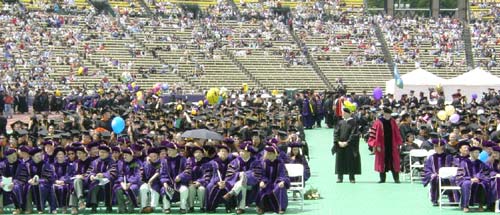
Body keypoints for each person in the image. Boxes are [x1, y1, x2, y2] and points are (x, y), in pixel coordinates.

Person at [223, 141, 261, 214]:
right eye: (241, 151)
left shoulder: (255, 162)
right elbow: (229, 175)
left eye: (244, 151)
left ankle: (232, 193)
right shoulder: (234, 162)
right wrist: (240, 174)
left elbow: (257, 175)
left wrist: (244, 175)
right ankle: (241, 207)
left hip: (252, 184)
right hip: (238, 183)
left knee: (244, 178)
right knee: (242, 184)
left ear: (249, 153)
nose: (241, 153)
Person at [368, 107, 403, 183]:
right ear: (384, 113)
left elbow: (397, 133)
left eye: (390, 114)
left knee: (394, 162)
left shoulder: (392, 121)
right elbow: (374, 134)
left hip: (392, 145)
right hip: (381, 146)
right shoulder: (378, 122)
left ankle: (396, 179)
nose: (389, 116)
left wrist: (398, 143)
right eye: (387, 114)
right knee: (382, 162)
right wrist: (376, 145)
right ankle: (382, 179)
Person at [255, 145, 290, 214]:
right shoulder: (263, 163)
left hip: (276, 183)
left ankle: (281, 208)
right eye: (267, 153)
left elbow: (284, 174)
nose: (268, 155)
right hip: (267, 182)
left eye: (270, 153)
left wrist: (282, 181)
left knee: (280, 187)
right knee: (262, 187)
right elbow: (261, 174)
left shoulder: (280, 163)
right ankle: (262, 207)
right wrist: (262, 181)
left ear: (275, 154)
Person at [456, 145, 490, 212]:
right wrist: (470, 179)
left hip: (479, 180)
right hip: (466, 179)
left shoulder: (481, 163)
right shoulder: (464, 162)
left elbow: (485, 173)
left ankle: (481, 205)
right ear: (471, 153)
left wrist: (478, 178)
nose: (477, 154)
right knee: (467, 184)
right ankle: (465, 206)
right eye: (475, 152)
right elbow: (460, 174)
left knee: (483, 184)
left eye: (478, 153)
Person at [422, 138, 455, 206]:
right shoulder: (431, 157)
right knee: (435, 179)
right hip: (436, 176)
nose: (435, 147)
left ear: (442, 147)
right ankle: (435, 200)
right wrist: (431, 174)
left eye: (436, 146)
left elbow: (453, 167)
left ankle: (452, 199)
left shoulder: (449, 156)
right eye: (434, 146)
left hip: (447, 176)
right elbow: (427, 169)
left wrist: (448, 174)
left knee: (449, 179)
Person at [24, 147, 57, 214]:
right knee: (27, 187)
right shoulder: (27, 165)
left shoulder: (46, 164)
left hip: (44, 184)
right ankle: (28, 208)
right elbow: (24, 176)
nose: (40, 157)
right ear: (32, 157)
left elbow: (49, 177)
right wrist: (29, 180)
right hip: (31, 184)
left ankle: (41, 208)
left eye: (41, 155)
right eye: (37, 156)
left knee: (41, 187)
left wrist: (39, 181)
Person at [160, 141, 190, 214]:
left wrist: (180, 176)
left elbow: (188, 170)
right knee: (164, 189)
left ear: (175, 150)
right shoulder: (165, 160)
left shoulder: (183, 159)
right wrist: (165, 183)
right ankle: (167, 207)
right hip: (169, 183)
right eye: (168, 150)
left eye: (170, 150)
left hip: (180, 183)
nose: (168, 152)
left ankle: (182, 207)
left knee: (184, 190)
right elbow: (162, 173)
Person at [86, 144, 117, 213]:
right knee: (93, 185)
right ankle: (94, 206)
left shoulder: (112, 162)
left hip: (108, 181)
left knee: (108, 184)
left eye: (104, 152)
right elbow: (90, 171)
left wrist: (103, 175)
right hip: (97, 181)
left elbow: (113, 172)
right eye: (100, 152)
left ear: (108, 153)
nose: (102, 154)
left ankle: (109, 206)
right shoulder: (94, 162)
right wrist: (91, 176)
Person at [333, 105, 361, 183]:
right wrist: (338, 141)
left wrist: (347, 142)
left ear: (348, 114)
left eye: (344, 113)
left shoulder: (353, 123)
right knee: (340, 161)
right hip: (340, 145)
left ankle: (351, 177)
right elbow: (336, 132)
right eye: (343, 113)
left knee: (350, 161)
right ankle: (340, 177)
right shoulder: (340, 122)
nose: (343, 114)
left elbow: (354, 134)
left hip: (350, 146)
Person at [204, 145, 233, 213]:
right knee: (210, 186)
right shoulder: (213, 163)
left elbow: (233, 175)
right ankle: (211, 207)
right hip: (215, 182)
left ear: (228, 154)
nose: (224, 153)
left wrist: (225, 182)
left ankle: (229, 207)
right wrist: (217, 182)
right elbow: (208, 175)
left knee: (230, 187)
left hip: (228, 182)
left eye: (226, 152)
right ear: (218, 153)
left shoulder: (232, 163)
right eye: (222, 151)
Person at [114, 148, 141, 213]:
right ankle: (122, 208)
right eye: (124, 155)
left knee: (132, 188)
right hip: (123, 183)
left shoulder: (137, 162)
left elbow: (137, 175)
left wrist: (129, 183)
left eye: (126, 155)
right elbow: (120, 174)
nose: (124, 156)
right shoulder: (121, 163)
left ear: (131, 155)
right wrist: (122, 183)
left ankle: (130, 207)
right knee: (117, 189)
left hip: (134, 183)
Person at [0, 149, 27, 214]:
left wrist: (14, 183)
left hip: (18, 183)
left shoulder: (21, 164)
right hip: (4, 182)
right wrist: (0, 182)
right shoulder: (2, 164)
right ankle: (0, 208)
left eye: (15, 154)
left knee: (16, 187)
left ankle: (18, 208)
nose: (14, 156)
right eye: (11, 155)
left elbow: (23, 177)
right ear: (7, 157)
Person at [69, 145, 92, 215]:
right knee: (76, 182)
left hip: (87, 181)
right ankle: (80, 201)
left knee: (76, 182)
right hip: (78, 181)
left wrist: (83, 176)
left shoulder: (90, 161)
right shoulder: (76, 162)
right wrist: (77, 176)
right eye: (77, 153)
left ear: (85, 153)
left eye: (80, 153)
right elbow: (73, 173)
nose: (78, 155)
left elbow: (91, 172)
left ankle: (74, 207)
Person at [185, 146, 209, 213]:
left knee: (201, 189)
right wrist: (190, 181)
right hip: (191, 182)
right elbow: (187, 172)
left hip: (202, 183)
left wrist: (199, 182)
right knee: (191, 188)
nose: (198, 154)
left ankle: (202, 207)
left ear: (202, 154)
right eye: (196, 152)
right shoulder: (189, 161)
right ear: (193, 154)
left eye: (200, 152)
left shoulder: (206, 162)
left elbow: (207, 174)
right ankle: (191, 207)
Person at [52, 147, 75, 214]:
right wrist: (56, 181)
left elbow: (72, 175)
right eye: (59, 154)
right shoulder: (52, 166)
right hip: (55, 183)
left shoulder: (70, 165)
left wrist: (64, 181)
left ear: (65, 155)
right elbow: (50, 176)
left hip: (66, 183)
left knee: (64, 188)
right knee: (54, 188)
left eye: (62, 154)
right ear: (56, 156)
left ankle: (64, 207)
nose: (60, 156)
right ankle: (55, 207)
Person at [140, 147, 162, 213]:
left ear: (158, 156)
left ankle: (152, 207)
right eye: (151, 156)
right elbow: (141, 174)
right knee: (143, 188)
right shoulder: (145, 163)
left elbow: (158, 172)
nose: (153, 158)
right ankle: (143, 206)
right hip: (147, 182)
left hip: (157, 182)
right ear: (148, 156)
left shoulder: (161, 163)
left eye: (154, 156)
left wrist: (151, 180)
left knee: (154, 190)